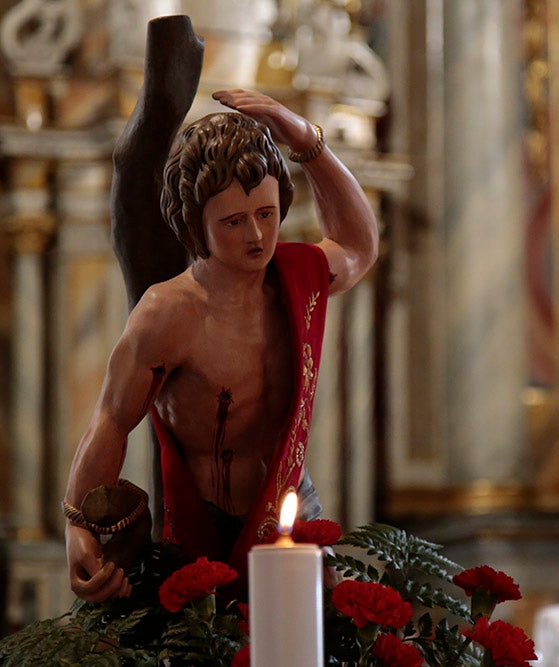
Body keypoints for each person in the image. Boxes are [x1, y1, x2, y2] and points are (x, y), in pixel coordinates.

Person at [62, 87, 378, 604]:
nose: (256, 235)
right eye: (233, 221)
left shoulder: (296, 280)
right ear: (196, 224)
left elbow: (360, 245)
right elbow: (111, 421)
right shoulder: (169, 313)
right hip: (200, 522)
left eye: (267, 214)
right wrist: (78, 525)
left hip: (291, 504)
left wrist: (303, 138)